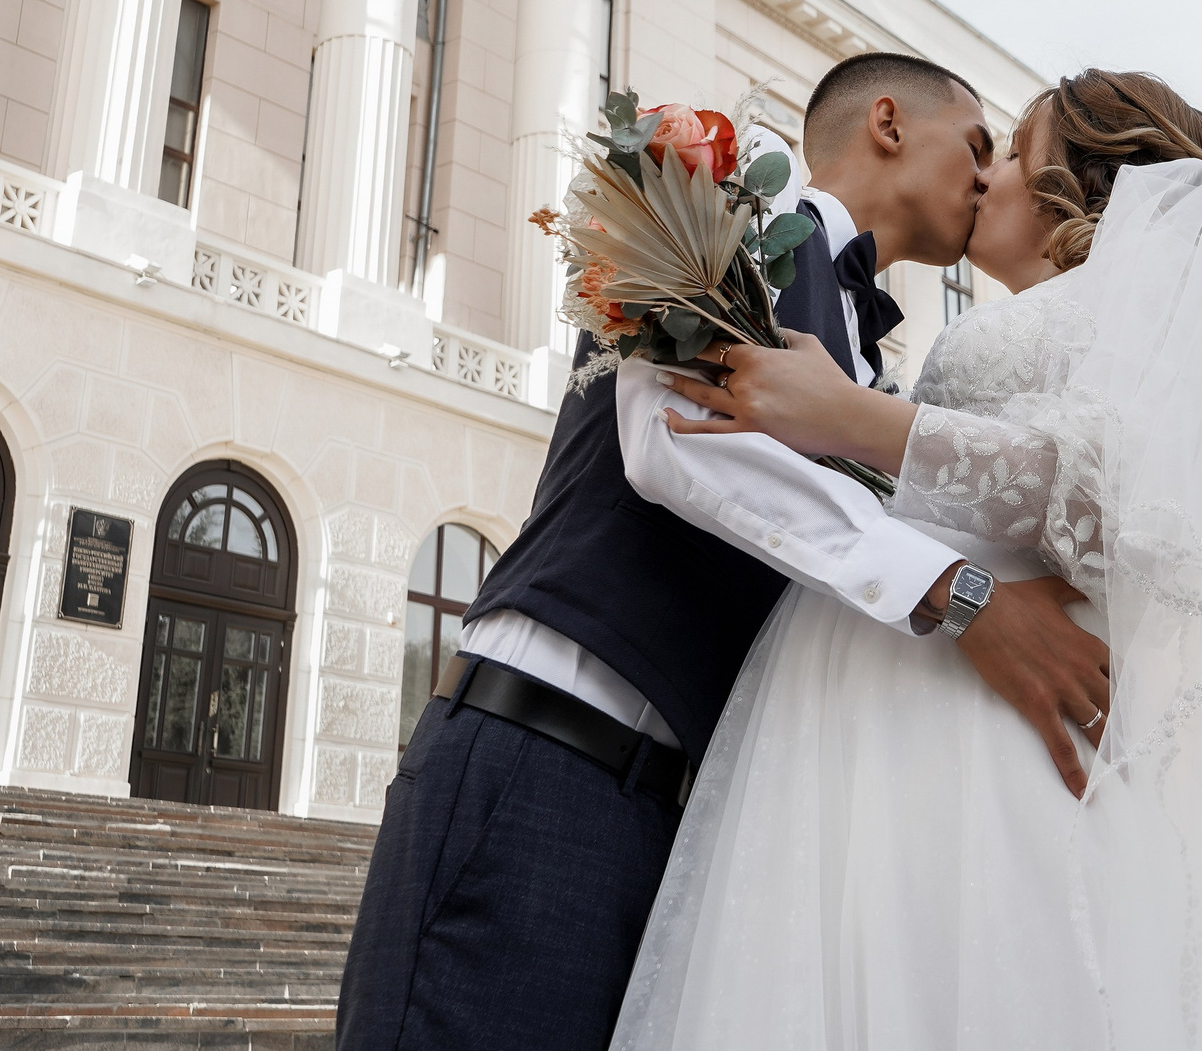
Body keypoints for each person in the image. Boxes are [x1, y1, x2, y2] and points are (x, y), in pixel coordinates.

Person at [614, 70, 1202, 1051]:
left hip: (963, 728)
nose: (988, 178)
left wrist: (859, 419)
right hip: (909, 694)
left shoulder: (1116, 322)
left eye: (1017, 154)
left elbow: (1107, 489)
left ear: (1086, 191)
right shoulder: (1087, 324)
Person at [335, 53, 1112, 1051]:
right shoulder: (723, 187)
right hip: (541, 754)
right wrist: (960, 595)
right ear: (885, 120)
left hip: (673, 815)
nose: (985, 176)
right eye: (972, 144)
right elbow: (674, 442)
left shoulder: (870, 373)